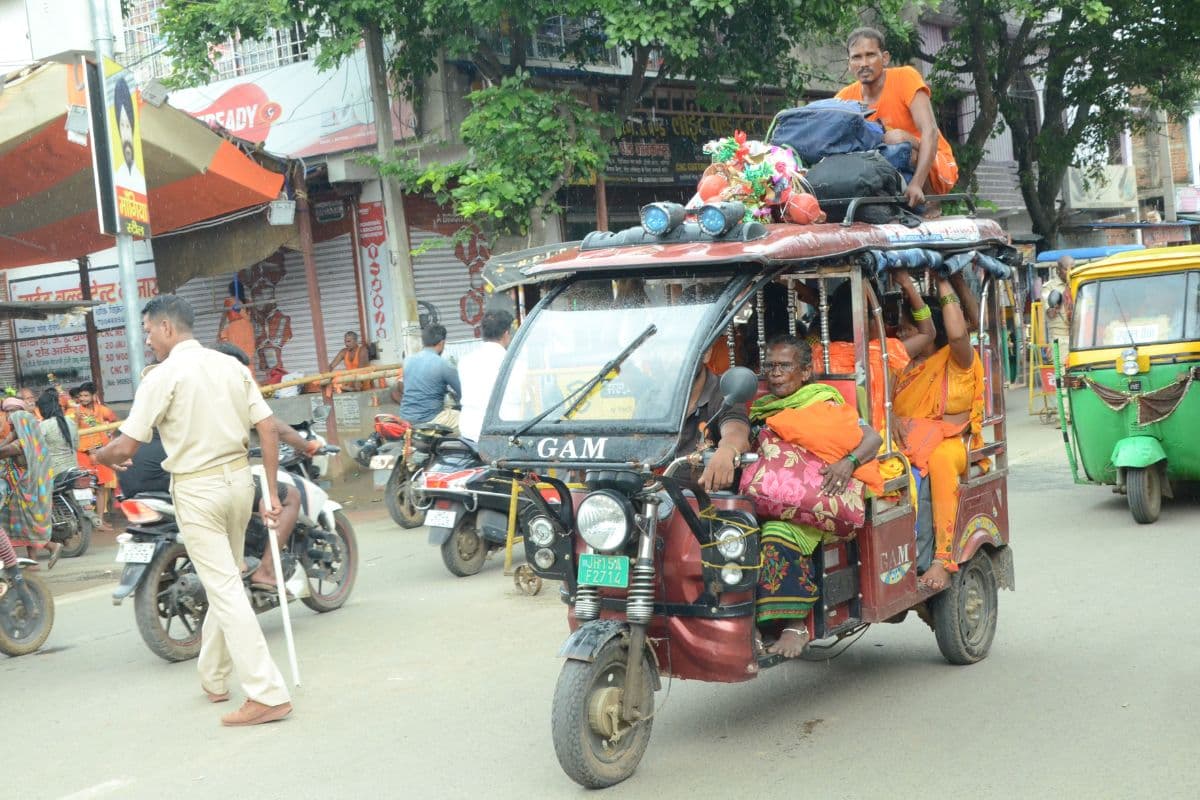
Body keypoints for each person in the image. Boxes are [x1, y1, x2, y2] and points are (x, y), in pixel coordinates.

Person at [94, 294, 292, 727]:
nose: (147, 340)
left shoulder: (162, 376)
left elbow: (126, 445)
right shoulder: (230, 366)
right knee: (228, 578)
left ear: (167, 328)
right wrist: (271, 491)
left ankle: (267, 692)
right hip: (239, 481)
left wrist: (100, 456)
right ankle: (215, 678)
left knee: (224, 586)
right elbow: (267, 426)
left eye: (148, 331)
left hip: (197, 488)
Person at [749, 335, 883, 657]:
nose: (775, 373)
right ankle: (748, 623)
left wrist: (847, 464)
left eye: (784, 366)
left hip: (817, 499)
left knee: (778, 534)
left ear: (805, 372)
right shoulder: (762, 407)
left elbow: (872, 439)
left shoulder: (827, 402)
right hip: (769, 497)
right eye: (770, 366)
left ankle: (796, 624)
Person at [892, 272, 985, 592]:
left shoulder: (957, 358)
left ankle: (942, 557)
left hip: (950, 443)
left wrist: (945, 282)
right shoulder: (900, 364)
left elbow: (960, 336)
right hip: (905, 444)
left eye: (908, 328)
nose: (902, 333)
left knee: (941, 462)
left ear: (931, 330)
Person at [835, 27, 959, 209]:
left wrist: (917, 183)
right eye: (856, 57)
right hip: (883, 165)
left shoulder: (905, 77)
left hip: (934, 162)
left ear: (884, 58)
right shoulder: (844, 97)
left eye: (870, 55)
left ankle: (930, 198)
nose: (863, 63)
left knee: (897, 139)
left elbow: (930, 131)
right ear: (849, 63)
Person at [807, 272, 934, 431]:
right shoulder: (879, 352)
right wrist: (907, 284)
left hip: (827, 434)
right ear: (870, 321)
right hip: (874, 440)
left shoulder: (816, 353)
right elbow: (928, 332)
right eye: (882, 318)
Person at [0, 396, 58, 569]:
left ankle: (52, 546)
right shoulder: (28, 434)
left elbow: (3, 450)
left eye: (13, 412)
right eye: (7, 412)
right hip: (24, 485)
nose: (10, 417)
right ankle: (32, 562)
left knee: (26, 522)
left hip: (24, 485)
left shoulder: (20, 443)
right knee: (25, 522)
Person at [457, 310, 515, 443]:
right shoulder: (513, 362)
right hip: (502, 434)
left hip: (469, 431)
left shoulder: (465, 361)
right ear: (506, 334)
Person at [391, 323, 462, 431]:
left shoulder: (408, 361)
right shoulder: (443, 364)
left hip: (405, 416)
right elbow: (464, 392)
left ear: (423, 342)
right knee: (471, 419)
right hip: (430, 419)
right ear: (442, 343)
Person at [74, 381, 118, 531]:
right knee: (84, 488)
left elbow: (114, 420)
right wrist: (76, 419)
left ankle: (99, 522)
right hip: (83, 454)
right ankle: (86, 523)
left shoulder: (101, 410)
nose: (83, 398)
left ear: (94, 396)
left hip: (99, 453)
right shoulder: (75, 411)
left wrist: (109, 434)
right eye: (81, 396)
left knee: (100, 488)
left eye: (86, 395)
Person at [112, 75, 147, 198]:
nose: (126, 135)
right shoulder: (115, 176)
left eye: (127, 126)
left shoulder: (140, 177)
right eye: (122, 125)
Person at [37, 389, 79, 478]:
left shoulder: (43, 426)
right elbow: (76, 445)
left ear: (43, 409)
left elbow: (37, 451)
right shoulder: (69, 421)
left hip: (55, 472)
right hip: (74, 467)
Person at [217, 279, 257, 367]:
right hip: (247, 329)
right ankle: (249, 378)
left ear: (231, 290)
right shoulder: (248, 301)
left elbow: (223, 319)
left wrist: (219, 333)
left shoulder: (228, 301)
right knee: (248, 355)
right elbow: (254, 316)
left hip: (235, 329)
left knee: (237, 355)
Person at [1041, 255, 1073, 358]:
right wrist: (1054, 307)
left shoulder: (1077, 283)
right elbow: (1050, 313)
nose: (1070, 272)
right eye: (1066, 269)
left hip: (1078, 336)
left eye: (1073, 268)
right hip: (1060, 337)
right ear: (1058, 269)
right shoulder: (1049, 287)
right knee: (1062, 372)